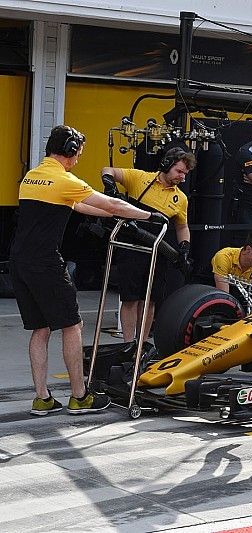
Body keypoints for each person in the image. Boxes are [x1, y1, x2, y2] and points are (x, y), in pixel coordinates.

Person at [12, 125, 159, 416]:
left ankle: (42, 398)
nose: (78, 160)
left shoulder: (33, 176)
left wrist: (114, 215)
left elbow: (79, 206)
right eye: (77, 154)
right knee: (72, 325)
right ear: (68, 151)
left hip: (19, 262)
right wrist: (149, 215)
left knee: (40, 328)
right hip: (45, 263)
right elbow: (112, 202)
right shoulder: (64, 179)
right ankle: (80, 396)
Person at [102, 147, 196, 344]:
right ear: (166, 165)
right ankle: (128, 344)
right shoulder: (139, 178)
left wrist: (184, 247)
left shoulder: (181, 199)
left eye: (185, 174)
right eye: (179, 171)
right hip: (131, 248)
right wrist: (110, 185)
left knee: (150, 300)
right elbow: (107, 169)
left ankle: (141, 344)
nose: (182, 177)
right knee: (130, 298)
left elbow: (182, 226)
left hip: (158, 251)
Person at [211, 231, 252, 312]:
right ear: (248, 249)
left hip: (237, 302)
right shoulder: (224, 257)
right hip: (210, 292)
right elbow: (224, 299)